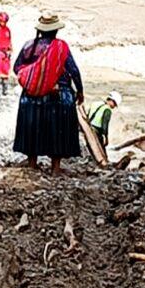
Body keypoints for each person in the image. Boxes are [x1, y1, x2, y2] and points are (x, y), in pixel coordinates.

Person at [12, 13, 84, 176]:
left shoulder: (29, 46)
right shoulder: (61, 47)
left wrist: (36, 79)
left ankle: (32, 164)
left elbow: (17, 68)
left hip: (32, 95)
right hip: (57, 96)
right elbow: (73, 70)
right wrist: (80, 91)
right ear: (56, 31)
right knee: (58, 130)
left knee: (33, 129)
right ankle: (55, 168)